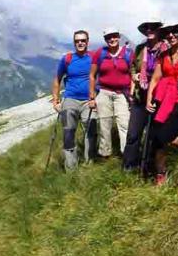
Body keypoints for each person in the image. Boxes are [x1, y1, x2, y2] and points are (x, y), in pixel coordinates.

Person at [145, 24, 178, 186]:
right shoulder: (164, 56)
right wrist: (149, 99)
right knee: (157, 138)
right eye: (168, 33)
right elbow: (155, 79)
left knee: (164, 135)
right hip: (164, 100)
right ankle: (160, 175)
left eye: (174, 32)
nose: (171, 35)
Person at [51, 29, 96, 170]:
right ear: (74, 43)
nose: (80, 43)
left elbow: (101, 76)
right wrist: (55, 101)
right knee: (68, 132)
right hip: (70, 99)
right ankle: (71, 168)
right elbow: (57, 79)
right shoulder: (67, 59)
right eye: (77, 41)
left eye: (83, 40)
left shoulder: (94, 58)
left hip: (88, 100)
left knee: (91, 131)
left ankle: (90, 164)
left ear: (88, 42)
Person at [122, 21, 163, 172]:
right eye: (147, 28)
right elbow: (133, 67)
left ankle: (151, 166)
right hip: (141, 96)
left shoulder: (165, 48)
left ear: (159, 30)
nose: (150, 30)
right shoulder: (140, 49)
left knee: (154, 135)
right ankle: (129, 166)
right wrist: (135, 75)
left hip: (159, 97)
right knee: (133, 133)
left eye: (153, 27)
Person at [90, 27, 132, 160]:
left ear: (119, 37)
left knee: (124, 124)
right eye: (108, 37)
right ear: (105, 40)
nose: (112, 39)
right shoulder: (100, 54)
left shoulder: (128, 53)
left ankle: (126, 154)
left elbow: (133, 73)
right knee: (104, 125)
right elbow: (92, 75)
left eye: (114, 36)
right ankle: (105, 154)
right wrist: (91, 95)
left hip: (122, 94)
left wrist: (132, 94)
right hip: (104, 92)